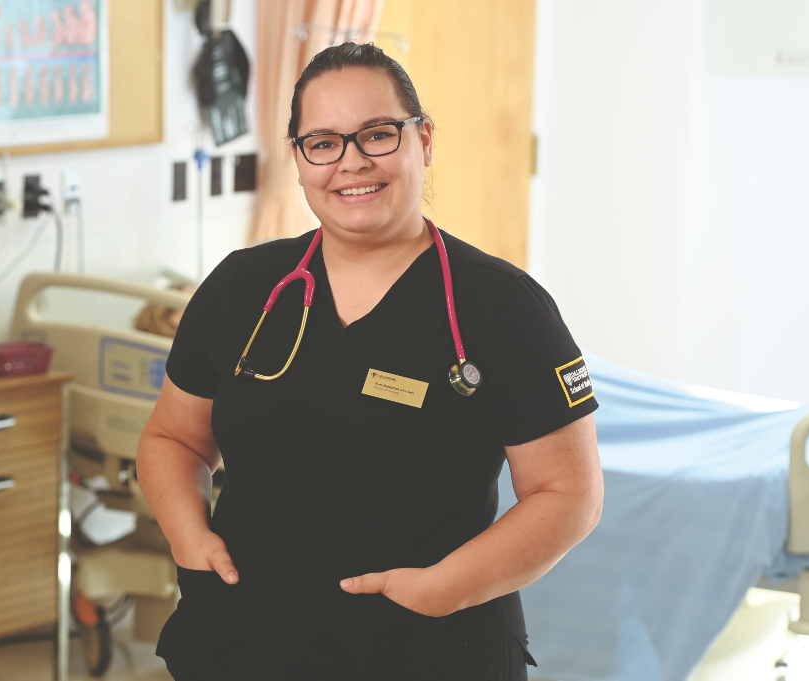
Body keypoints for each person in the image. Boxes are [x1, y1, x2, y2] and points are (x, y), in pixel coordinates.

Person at [137, 42, 603, 680]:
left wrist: (446, 587)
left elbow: (569, 494)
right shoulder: (244, 288)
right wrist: (188, 536)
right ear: (299, 158)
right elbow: (172, 438)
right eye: (322, 142)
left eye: (377, 135)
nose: (351, 162)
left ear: (424, 140)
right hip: (239, 645)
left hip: (428, 653)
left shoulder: (501, 308)